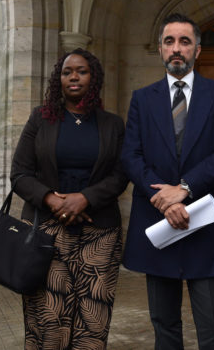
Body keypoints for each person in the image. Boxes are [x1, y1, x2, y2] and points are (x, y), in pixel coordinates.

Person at [121, 13, 214, 350]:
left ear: (197, 51)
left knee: (212, 322)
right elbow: (131, 156)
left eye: (185, 42)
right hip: (157, 221)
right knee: (163, 323)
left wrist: (185, 188)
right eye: (169, 41)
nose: (177, 49)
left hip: (204, 224)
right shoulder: (142, 100)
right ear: (160, 49)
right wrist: (163, 198)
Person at [10, 48, 128, 349]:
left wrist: (85, 198)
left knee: (93, 320)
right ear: (58, 79)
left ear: (94, 77)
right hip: (46, 232)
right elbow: (20, 173)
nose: (73, 77)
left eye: (81, 71)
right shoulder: (41, 119)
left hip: (100, 234)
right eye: (67, 72)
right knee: (48, 318)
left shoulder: (112, 124)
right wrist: (52, 199)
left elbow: (120, 175)